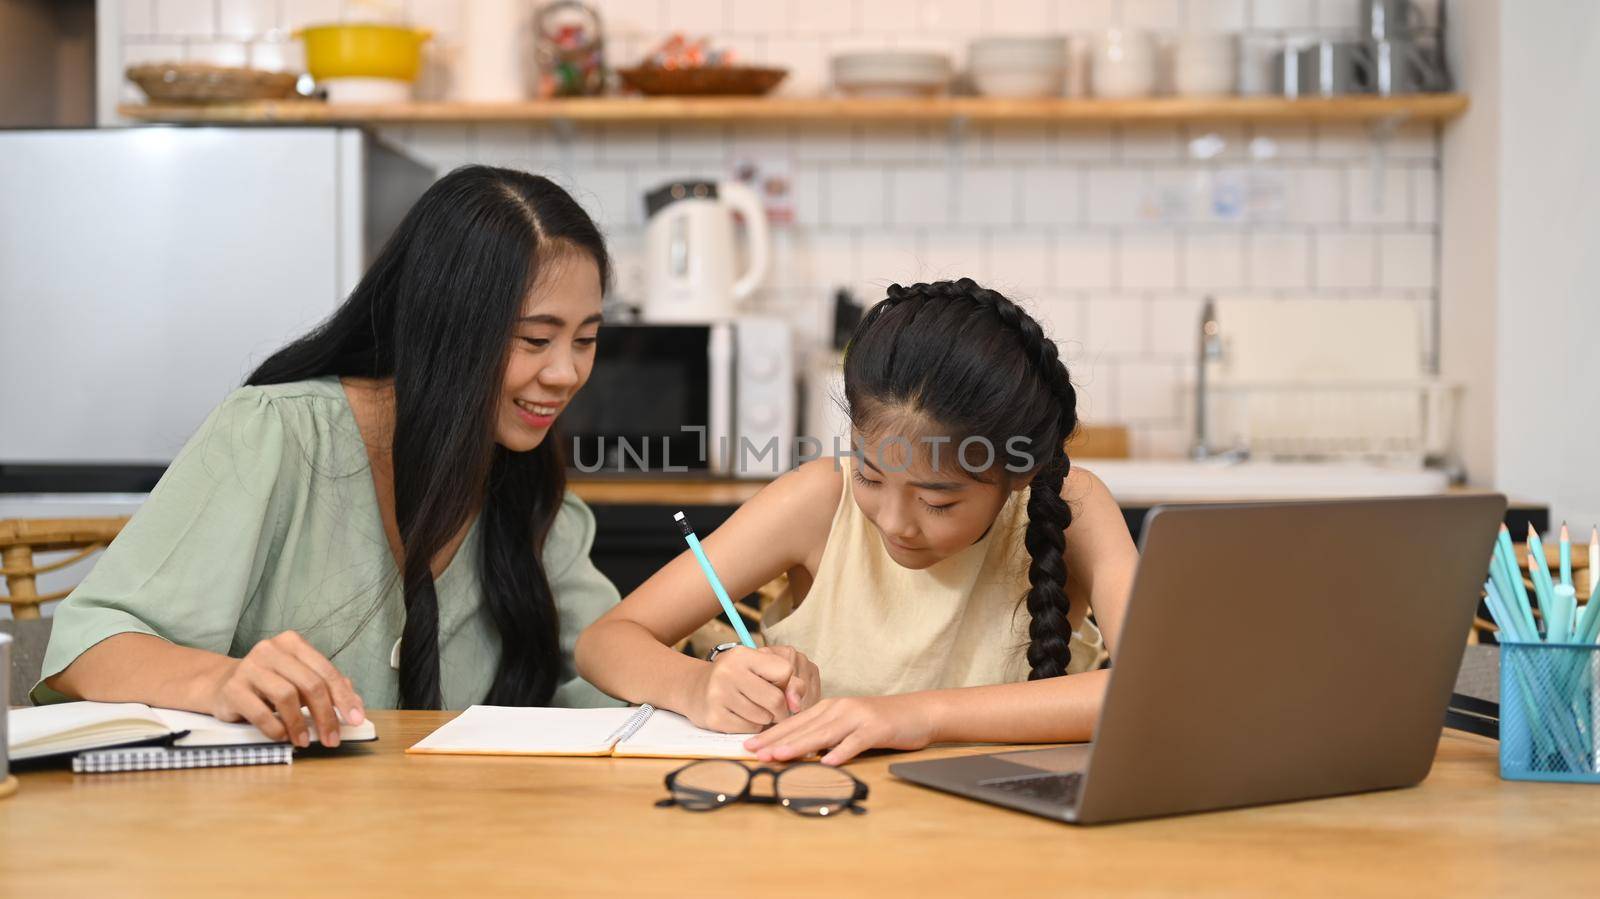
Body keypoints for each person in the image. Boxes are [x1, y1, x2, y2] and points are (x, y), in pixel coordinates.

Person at [38, 166, 624, 746]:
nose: (566, 372)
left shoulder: (534, 498)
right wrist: (221, 680)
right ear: (448, 326)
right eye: (536, 339)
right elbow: (88, 646)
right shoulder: (276, 435)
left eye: (586, 340)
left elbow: (613, 666)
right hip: (251, 830)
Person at [576, 277, 1139, 765]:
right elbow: (605, 642)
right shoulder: (818, 499)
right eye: (871, 477)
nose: (894, 523)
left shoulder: (1073, 505)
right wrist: (698, 684)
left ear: (1019, 473)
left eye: (937, 502)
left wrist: (916, 716)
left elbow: (1154, 690)